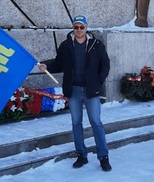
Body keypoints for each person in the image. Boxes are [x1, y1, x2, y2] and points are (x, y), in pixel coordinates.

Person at [38, 15, 112, 172]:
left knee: (96, 122)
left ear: (86, 28)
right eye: (76, 27)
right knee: (76, 123)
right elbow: (58, 63)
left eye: (81, 27)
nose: (79, 30)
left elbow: (105, 64)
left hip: (91, 90)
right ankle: (81, 155)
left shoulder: (96, 45)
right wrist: (47, 67)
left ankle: (103, 156)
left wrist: (99, 80)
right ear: (73, 28)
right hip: (74, 90)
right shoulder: (66, 45)